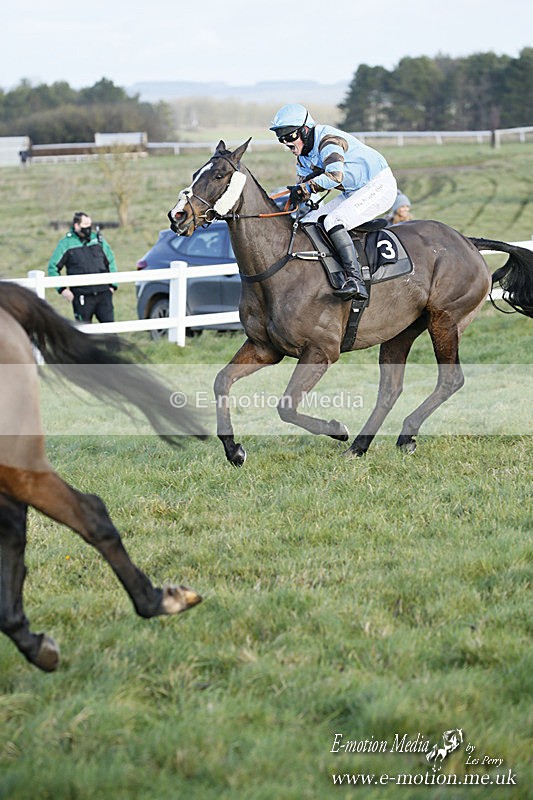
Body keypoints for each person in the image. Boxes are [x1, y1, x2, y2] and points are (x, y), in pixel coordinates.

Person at [270, 103, 398, 301]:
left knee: (333, 221)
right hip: (354, 191)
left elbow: (335, 176)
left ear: (305, 130)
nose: (287, 143)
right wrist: (298, 195)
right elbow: (305, 189)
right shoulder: (303, 158)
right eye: (282, 139)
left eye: (290, 136)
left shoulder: (328, 140)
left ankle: (355, 281)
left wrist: (306, 188)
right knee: (308, 221)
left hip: (378, 184)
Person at [48, 211, 118, 322]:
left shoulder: (99, 241)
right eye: (85, 225)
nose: (88, 229)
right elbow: (53, 268)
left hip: (103, 293)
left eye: (90, 225)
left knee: (110, 332)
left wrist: (113, 285)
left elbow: (111, 261)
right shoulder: (66, 244)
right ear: (76, 226)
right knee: (84, 333)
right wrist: (62, 290)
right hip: (81, 295)